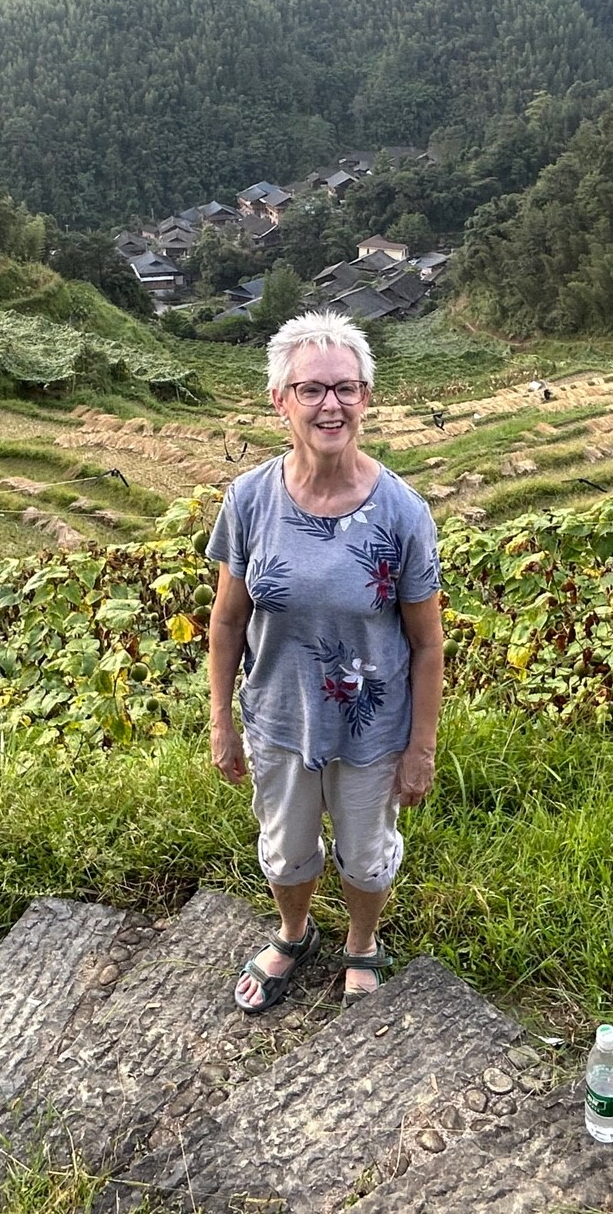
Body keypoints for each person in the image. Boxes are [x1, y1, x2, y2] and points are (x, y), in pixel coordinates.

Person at [206, 311, 444, 1013]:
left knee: (367, 854)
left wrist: (421, 747)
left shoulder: (403, 512)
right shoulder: (249, 500)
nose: (329, 405)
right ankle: (295, 931)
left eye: (345, 388)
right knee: (285, 850)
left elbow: (428, 641)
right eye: (310, 390)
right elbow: (227, 620)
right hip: (279, 715)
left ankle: (362, 944)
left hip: (372, 724)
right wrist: (220, 719)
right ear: (280, 401)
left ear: (367, 397)